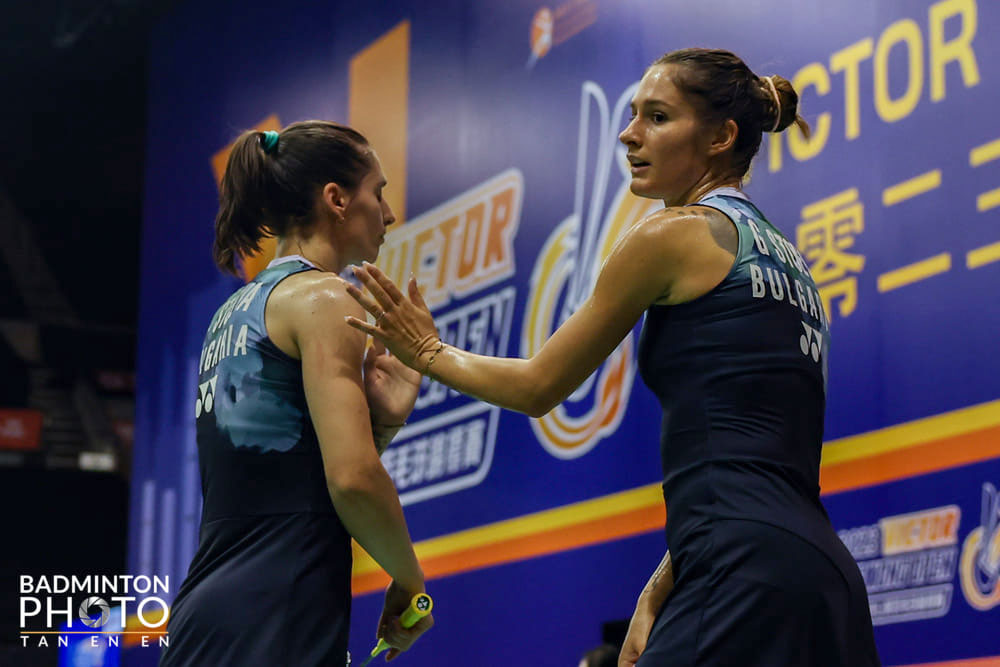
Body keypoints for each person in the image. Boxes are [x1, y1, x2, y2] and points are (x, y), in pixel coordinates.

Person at [343, 49, 880, 666]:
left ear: (721, 137)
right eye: (633, 114)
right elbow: (757, 474)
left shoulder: (670, 235)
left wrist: (426, 350)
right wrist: (661, 586)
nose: (629, 134)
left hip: (739, 570)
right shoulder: (792, 263)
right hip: (822, 578)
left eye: (657, 117)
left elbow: (539, 385)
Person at [160, 121, 432, 666]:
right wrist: (411, 584)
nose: (388, 213)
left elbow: (286, 481)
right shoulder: (327, 297)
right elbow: (352, 480)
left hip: (204, 619)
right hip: (279, 609)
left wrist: (382, 422)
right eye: (377, 192)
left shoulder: (233, 311)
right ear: (336, 199)